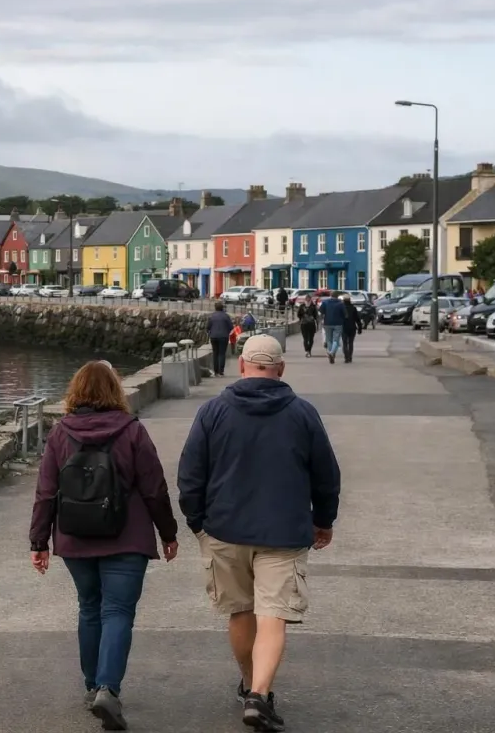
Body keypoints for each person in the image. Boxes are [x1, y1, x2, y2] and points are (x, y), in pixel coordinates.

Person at [176, 335, 341, 732]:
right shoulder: (303, 413)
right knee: (274, 617)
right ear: (281, 370)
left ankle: (251, 684)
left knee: (240, 612)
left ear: (242, 365)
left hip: (225, 530)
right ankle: (259, 695)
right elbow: (326, 475)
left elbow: (190, 475)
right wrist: (324, 520)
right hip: (283, 532)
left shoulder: (212, 411)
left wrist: (198, 522)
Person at [30, 361, 179, 731]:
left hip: (75, 536)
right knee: (117, 611)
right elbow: (154, 488)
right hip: (126, 538)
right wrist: (168, 532)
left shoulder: (60, 433)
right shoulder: (132, 431)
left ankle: (91, 684)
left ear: (75, 390)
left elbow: (47, 490)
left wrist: (39, 541)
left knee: (89, 607)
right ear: (115, 390)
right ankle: (108, 690)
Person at [207, 302, 235, 377]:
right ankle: (221, 371)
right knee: (222, 353)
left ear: (215, 308)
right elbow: (231, 327)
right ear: (222, 308)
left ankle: (215, 372)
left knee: (215, 353)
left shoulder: (212, 316)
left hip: (213, 336)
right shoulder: (226, 316)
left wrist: (210, 333)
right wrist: (227, 332)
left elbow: (208, 327)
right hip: (223, 336)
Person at [319, 292, 346, 364]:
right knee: (336, 340)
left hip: (327, 323)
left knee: (329, 340)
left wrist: (321, 321)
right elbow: (345, 314)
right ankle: (332, 353)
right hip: (338, 323)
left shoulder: (325, 302)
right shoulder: (341, 304)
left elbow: (321, 312)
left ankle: (331, 353)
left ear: (331, 296)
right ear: (337, 296)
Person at [341, 295, 362, 363]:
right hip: (352, 328)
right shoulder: (353, 308)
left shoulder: (341, 308)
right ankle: (350, 356)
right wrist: (360, 328)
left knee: (344, 343)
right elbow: (357, 319)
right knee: (350, 343)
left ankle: (346, 357)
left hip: (344, 327)